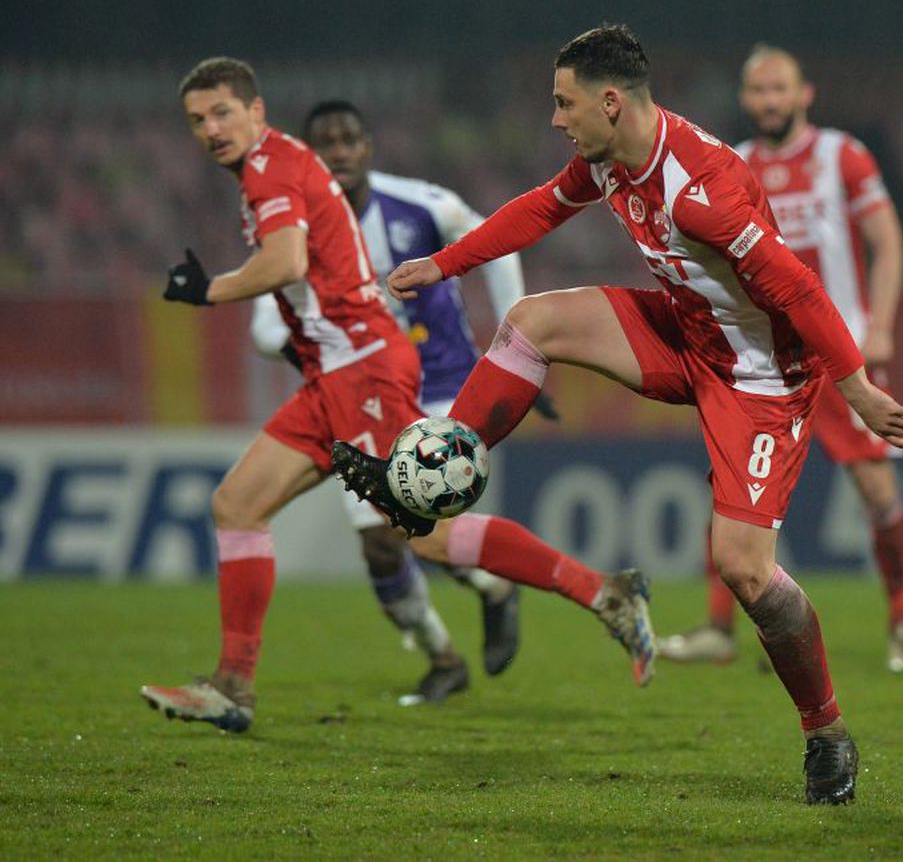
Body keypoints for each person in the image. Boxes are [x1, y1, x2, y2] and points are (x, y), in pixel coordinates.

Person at [332, 25, 903, 805]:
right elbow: (539, 210)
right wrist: (445, 264)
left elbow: (798, 291)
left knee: (744, 568)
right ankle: (437, 471)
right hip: (684, 329)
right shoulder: (611, 157)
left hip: (760, 377)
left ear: (610, 102)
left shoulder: (700, 190)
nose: (556, 119)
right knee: (534, 321)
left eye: (564, 102)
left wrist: (858, 389)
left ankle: (826, 731)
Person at [140, 57, 657, 735]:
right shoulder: (272, 167)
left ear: (256, 112)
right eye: (197, 121)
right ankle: (233, 684)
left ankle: (605, 592)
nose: (211, 130)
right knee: (236, 504)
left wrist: (208, 289)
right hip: (333, 374)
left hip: (364, 369)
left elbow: (287, 261)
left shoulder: (271, 168)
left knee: (427, 539)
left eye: (222, 113)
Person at [249, 98, 559, 705]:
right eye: (325, 141)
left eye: (349, 139)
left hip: (442, 382)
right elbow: (263, 324)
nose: (338, 150)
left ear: (368, 148)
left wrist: (514, 339)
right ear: (309, 154)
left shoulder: (421, 204)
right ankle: (451, 646)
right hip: (360, 394)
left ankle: (500, 598)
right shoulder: (294, 225)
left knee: (413, 521)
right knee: (381, 543)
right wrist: (307, 342)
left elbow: (500, 245)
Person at [660, 46, 903, 673]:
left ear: (805, 92)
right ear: (745, 98)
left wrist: (881, 326)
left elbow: (887, 243)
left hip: (844, 350)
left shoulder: (844, 155)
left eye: (780, 89)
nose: (769, 101)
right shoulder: (734, 164)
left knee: (877, 488)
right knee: (731, 488)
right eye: (758, 91)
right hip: (767, 356)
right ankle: (719, 630)